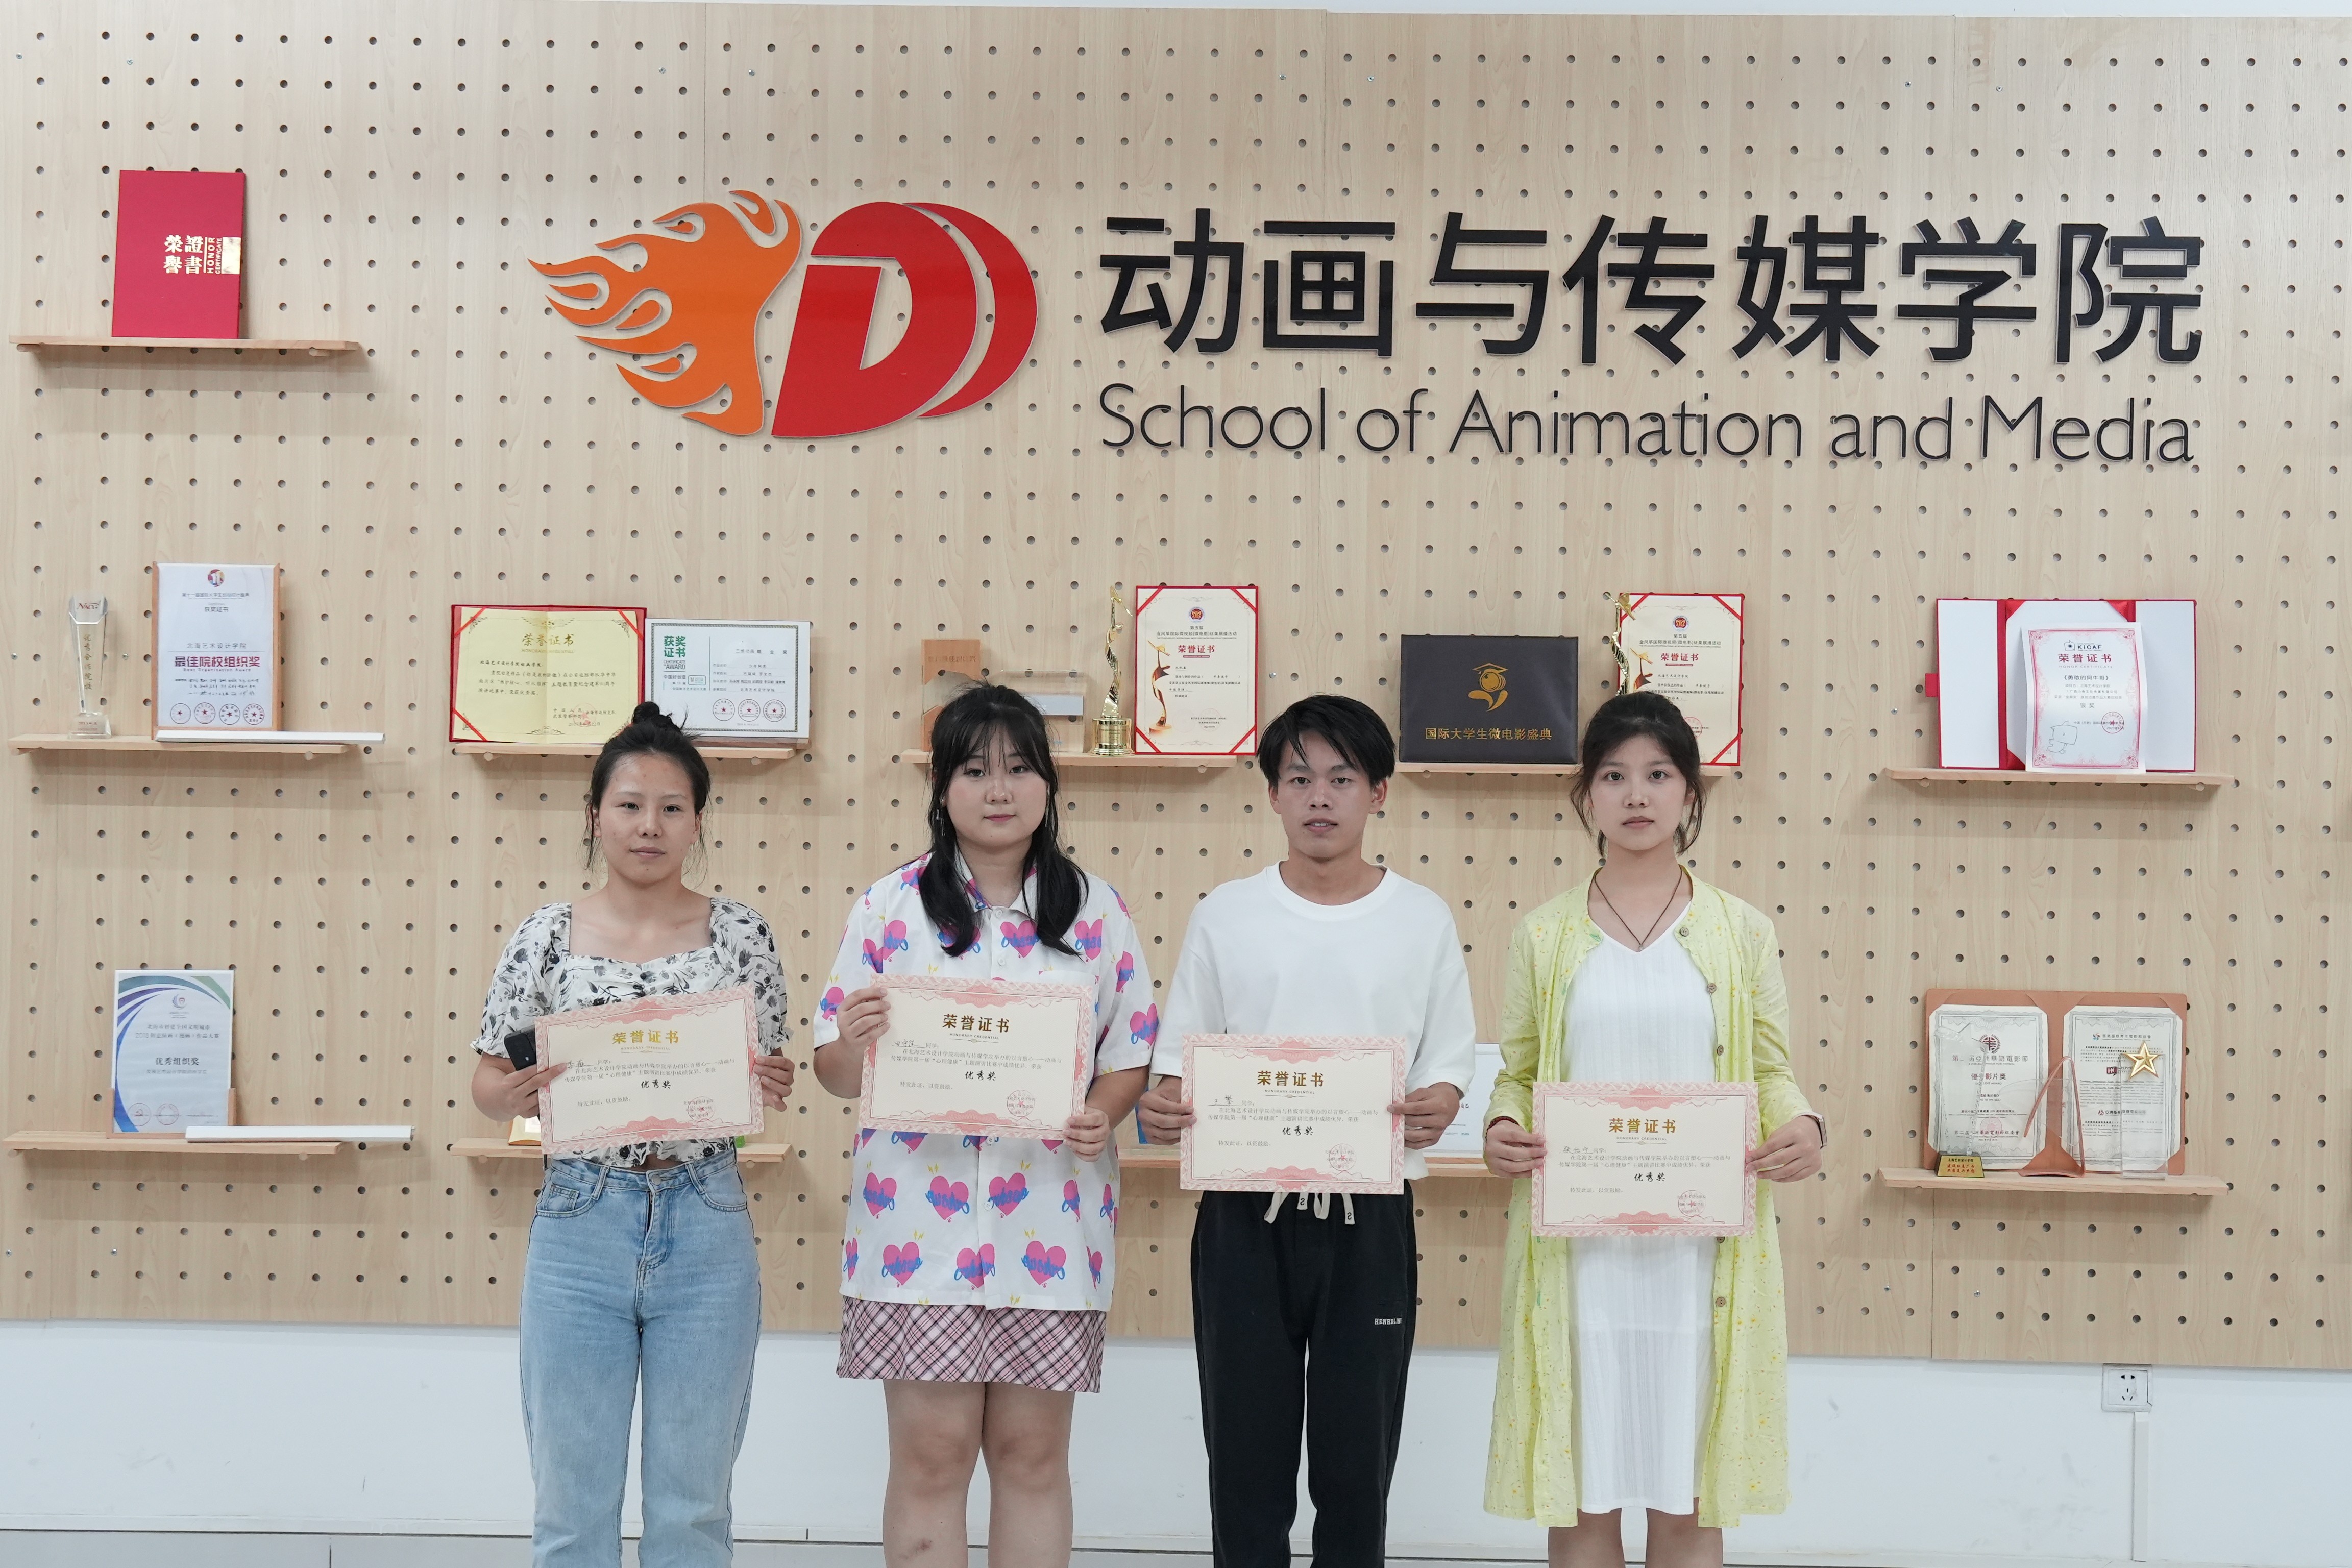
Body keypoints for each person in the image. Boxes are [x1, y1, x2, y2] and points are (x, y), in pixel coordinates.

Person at [811, 683, 1156, 1568]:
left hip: (1052, 1225)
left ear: (1049, 783)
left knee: (1032, 1458)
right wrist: (852, 1041)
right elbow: (836, 1073)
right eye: (973, 770)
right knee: (930, 1458)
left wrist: (1101, 1114)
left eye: (1019, 768)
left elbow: (1130, 1055)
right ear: (942, 787)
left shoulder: (1097, 912)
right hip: (913, 1237)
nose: (998, 789)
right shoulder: (889, 909)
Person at [1480, 690, 1825, 1568]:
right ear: (1586, 795)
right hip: (1580, 1259)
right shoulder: (1543, 935)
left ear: (1690, 793)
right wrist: (1503, 1123)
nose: (1637, 795)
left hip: (1697, 1259)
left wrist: (1802, 1124)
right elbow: (1517, 1072)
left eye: (1659, 775)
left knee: (1688, 1496)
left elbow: (1771, 1070)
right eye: (1614, 776)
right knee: (1582, 1497)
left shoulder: (1742, 932)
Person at [1136, 694, 1477, 1568]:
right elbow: (1178, 1062)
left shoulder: (1422, 917)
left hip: (1372, 1217)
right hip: (1243, 1217)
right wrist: (1165, 1105)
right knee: (1244, 1458)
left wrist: (1439, 1103)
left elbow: (1448, 1063)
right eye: (1299, 779)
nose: (1320, 796)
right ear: (1273, 795)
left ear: (1379, 793)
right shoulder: (1226, 914)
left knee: (1357, 1464)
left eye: (1342, 778)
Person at [469, 703, 796, 1568]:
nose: (650, 825)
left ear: (698, 821)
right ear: (594, 816)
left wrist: (772, 1081)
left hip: (707, 1215)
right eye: (629, 805)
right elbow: (487, 1085)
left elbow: (765, 1072)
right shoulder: (545, 937)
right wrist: (515, 1094)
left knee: (694, 1507)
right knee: (571, 1506)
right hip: (581, 1216)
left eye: (672, 808)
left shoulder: (741, 935)